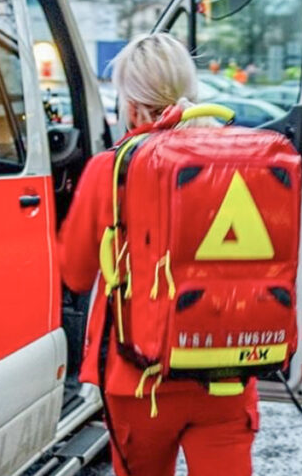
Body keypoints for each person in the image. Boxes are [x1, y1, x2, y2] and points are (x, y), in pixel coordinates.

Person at [58, 33, 259, 476]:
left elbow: (74, 274)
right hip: (223, 374)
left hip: (138, 382)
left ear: (130, 105)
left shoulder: (109, 170)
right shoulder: (246, 159)